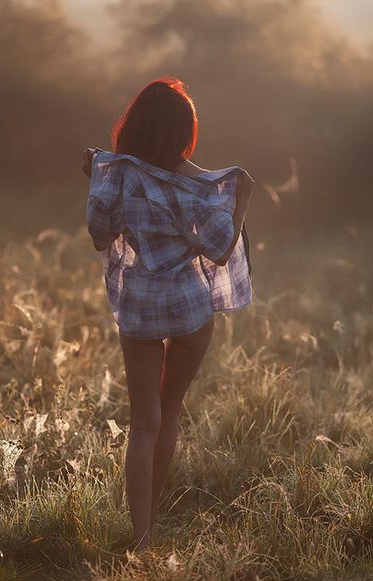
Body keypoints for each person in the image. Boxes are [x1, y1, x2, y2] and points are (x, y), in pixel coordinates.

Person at [82, 76, 255, 552]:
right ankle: (152, 519)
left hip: (139, 309)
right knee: (170, 408)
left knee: (143, 423)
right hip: (190, 311)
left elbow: (100, 234)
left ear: (134, 124)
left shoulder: (116, 173)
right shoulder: (195, 185)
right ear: (185, 131)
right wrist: (240, 202)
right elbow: (220, 249)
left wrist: (95, 177)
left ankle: (140, 539)